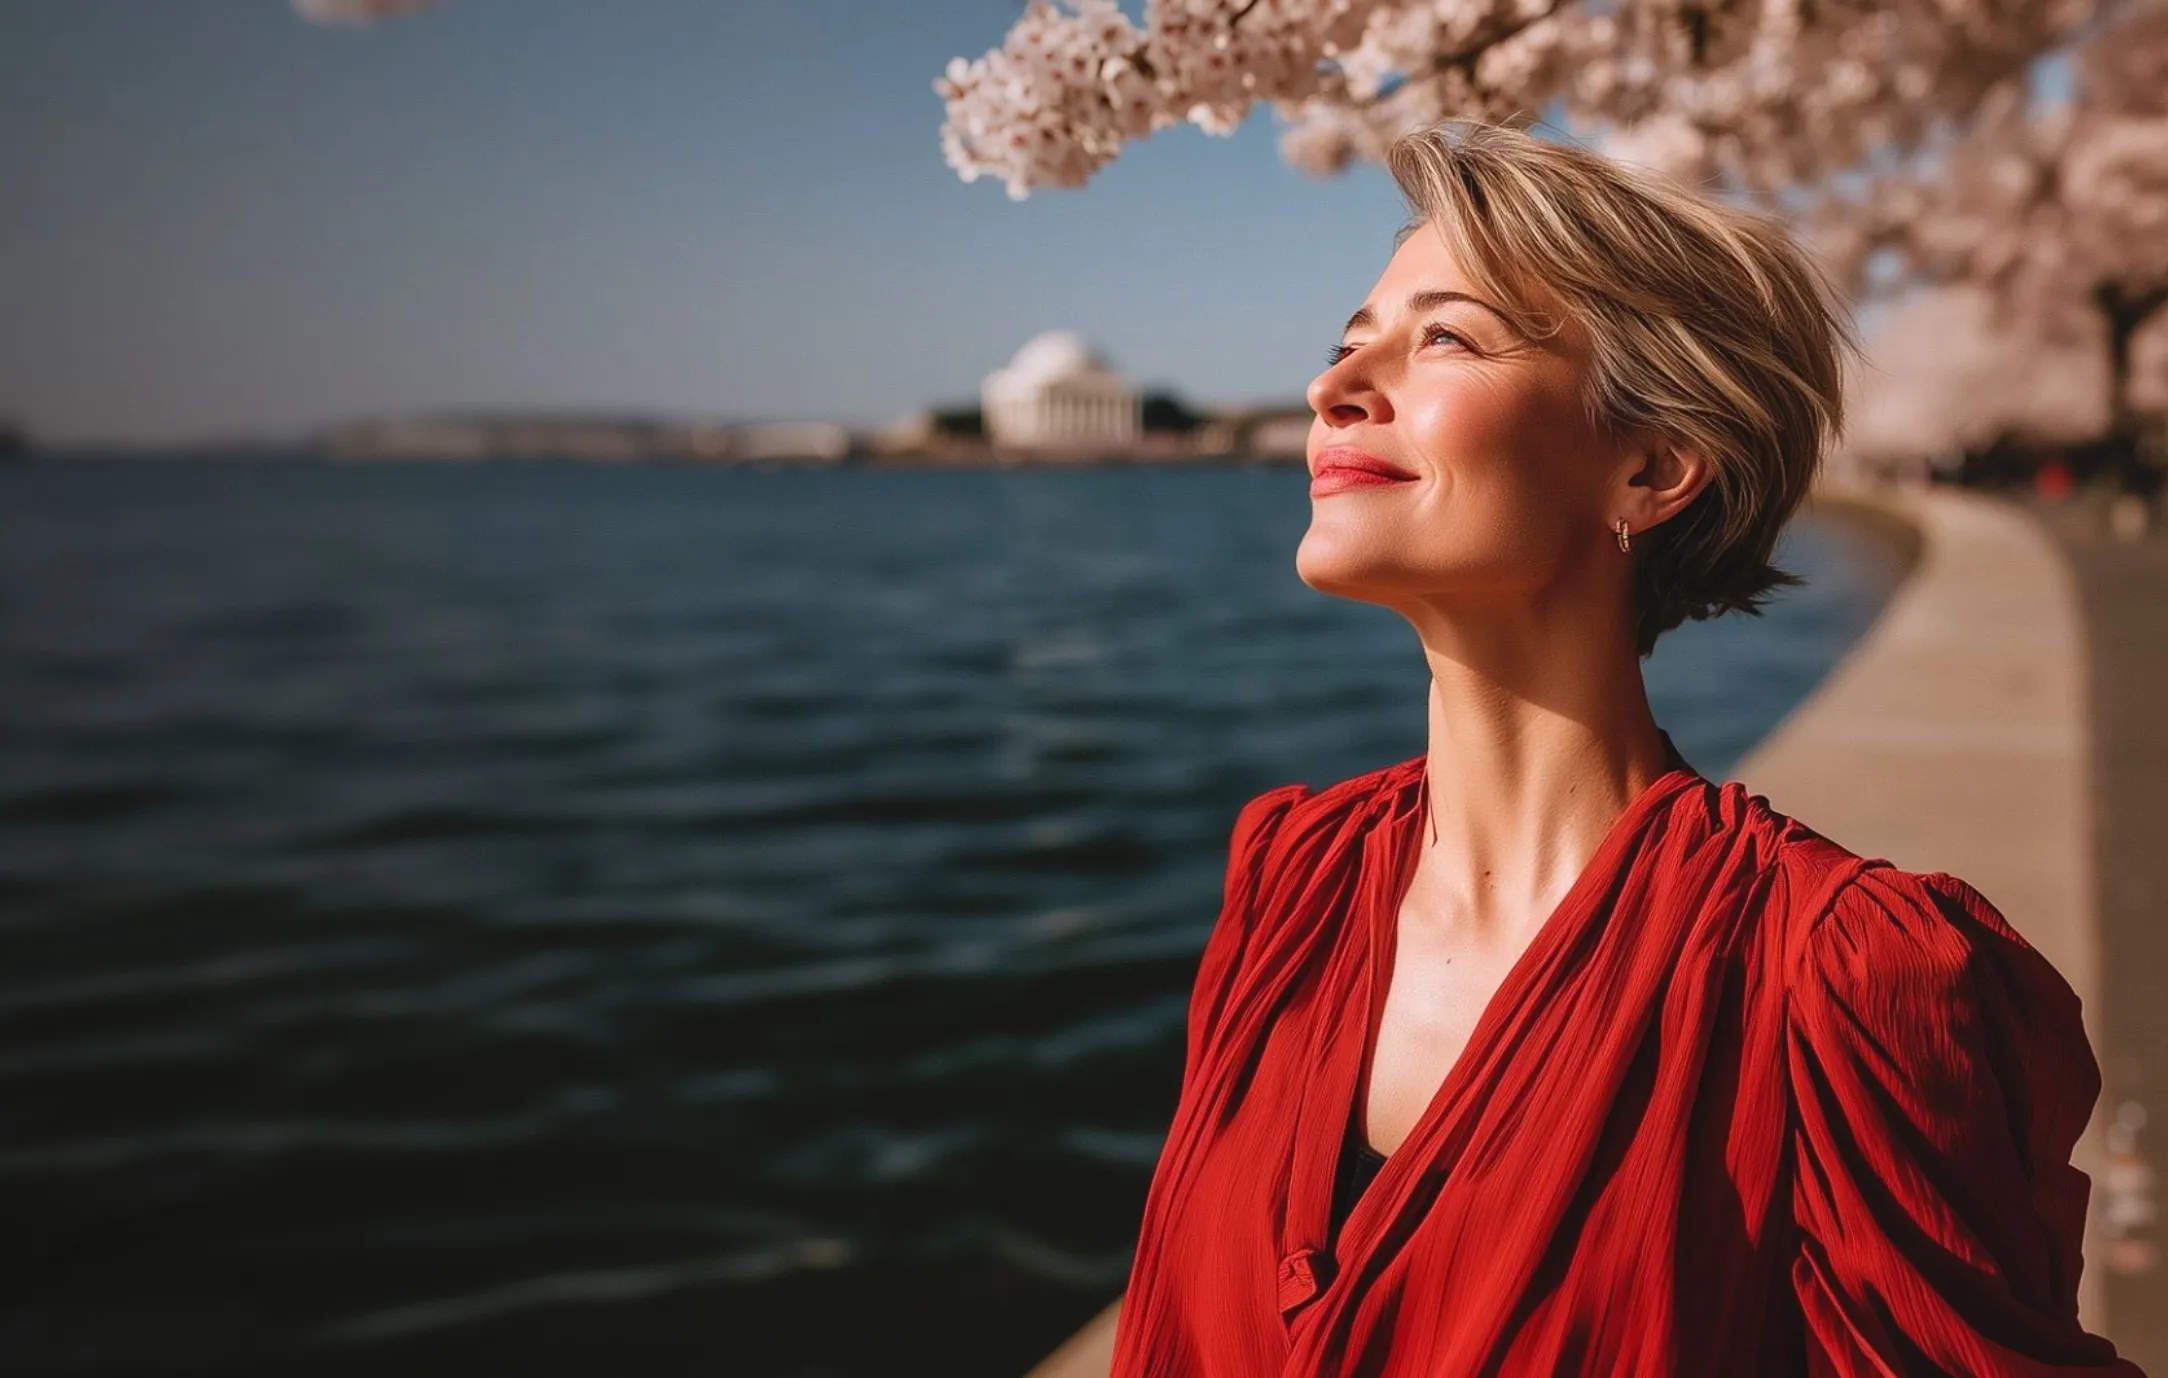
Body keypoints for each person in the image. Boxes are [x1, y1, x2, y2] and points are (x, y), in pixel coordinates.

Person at [1107, 122, 2144, 1377]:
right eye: (1346, 340)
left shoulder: (1835, 983)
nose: (1333, 387)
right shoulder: (1292, 877)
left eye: (1442, 335)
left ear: (1652, 468)